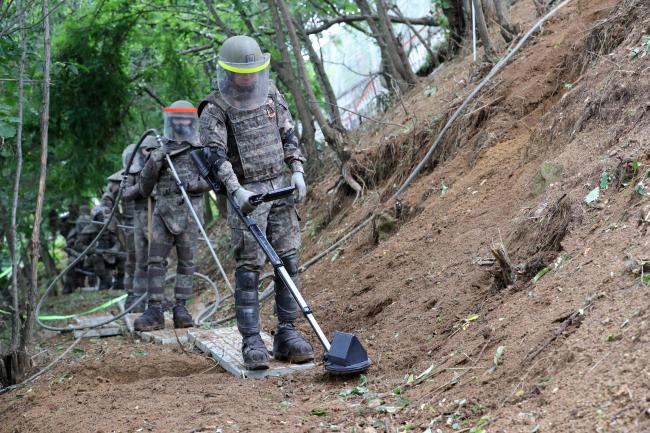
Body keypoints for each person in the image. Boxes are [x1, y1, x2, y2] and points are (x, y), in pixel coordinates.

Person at [198, 35, 313, 370]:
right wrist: (236, 191)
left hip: (281, 188)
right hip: (248, 195)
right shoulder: (215, 107)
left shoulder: (271, 92)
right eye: (241, 72)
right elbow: (215, 155)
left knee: (288, 260)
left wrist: (297, 170)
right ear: (228, 72)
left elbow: (287, 132)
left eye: (253, 72)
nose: (248, 78)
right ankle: (251, 340)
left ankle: (287, 333)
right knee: (249, 268)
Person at [133, 101, 210, 331]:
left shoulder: (202, 148)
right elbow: (145, 188)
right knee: (155, 260)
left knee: (187, 261)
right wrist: (154, 162)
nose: (180, 123)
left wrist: (194, 185)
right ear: (170, 121)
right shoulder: (161, 150)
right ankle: (154, 309)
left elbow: (213, 180)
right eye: (175, 119)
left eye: (185, 118)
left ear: (192, 121)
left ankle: (181, 308)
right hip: (162, 212)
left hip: (190, 211)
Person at [76, 206, 125, 291]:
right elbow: (78, 245)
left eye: (102, 217)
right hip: (93, 258)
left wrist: (114, 249)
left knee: (123, 257)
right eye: (99, 216)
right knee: (97, 260)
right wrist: (93, 250)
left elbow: (117, 242)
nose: (102, 218)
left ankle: (120, 282)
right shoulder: (88, 229)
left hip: (108, 255)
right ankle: (105, 284)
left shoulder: (107, 228)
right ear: (95, 217)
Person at [63, 205, 91, 293]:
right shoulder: (74, 232)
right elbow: (67, 248)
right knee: (71, 263)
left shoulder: (94, 229)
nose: (83, 223)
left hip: (92, 255)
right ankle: (68, 287)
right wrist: (78, 255)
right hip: (77, 255)